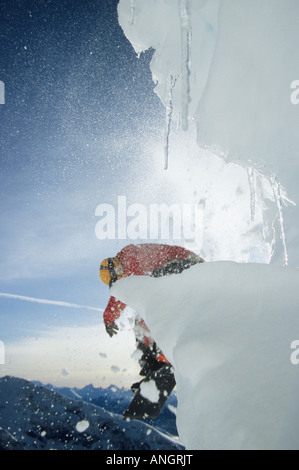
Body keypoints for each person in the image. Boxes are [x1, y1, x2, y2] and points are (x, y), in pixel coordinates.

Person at [99, 243, 204, 393]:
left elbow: (127, 291)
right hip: (176, 272)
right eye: (117, 281)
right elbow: (122, 294)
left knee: (149, 315)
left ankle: (162, 359)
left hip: (188, 265)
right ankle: (152, 367)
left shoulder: (131, 258)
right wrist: (108, 319)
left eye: (117, 278)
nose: (120, 280)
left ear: (115, 268)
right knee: (141, 323)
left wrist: (109, 317)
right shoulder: (126, 267)